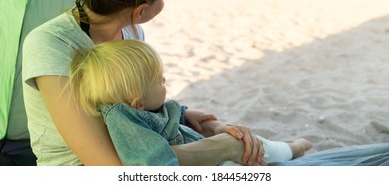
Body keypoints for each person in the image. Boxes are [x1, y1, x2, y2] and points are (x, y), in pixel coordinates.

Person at [22, 0, 264, 166]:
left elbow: (132, 105)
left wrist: (192, 119)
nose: (164, 4)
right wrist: (220, 147)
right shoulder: (51, 43)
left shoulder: (130, 33)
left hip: (137, 147)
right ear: (140, 10)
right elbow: (107, 165)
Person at [67, 39, 312, 165]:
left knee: (260, 145)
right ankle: (289, 150)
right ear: (137, 102)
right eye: (159, 81)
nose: (165, 81)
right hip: (203, 165)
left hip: (204, 150)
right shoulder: (124, 120)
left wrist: (186, 114)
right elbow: (152, 162)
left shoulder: (141, 107)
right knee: (240, 161)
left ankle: (293, 148)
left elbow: (165, 115)